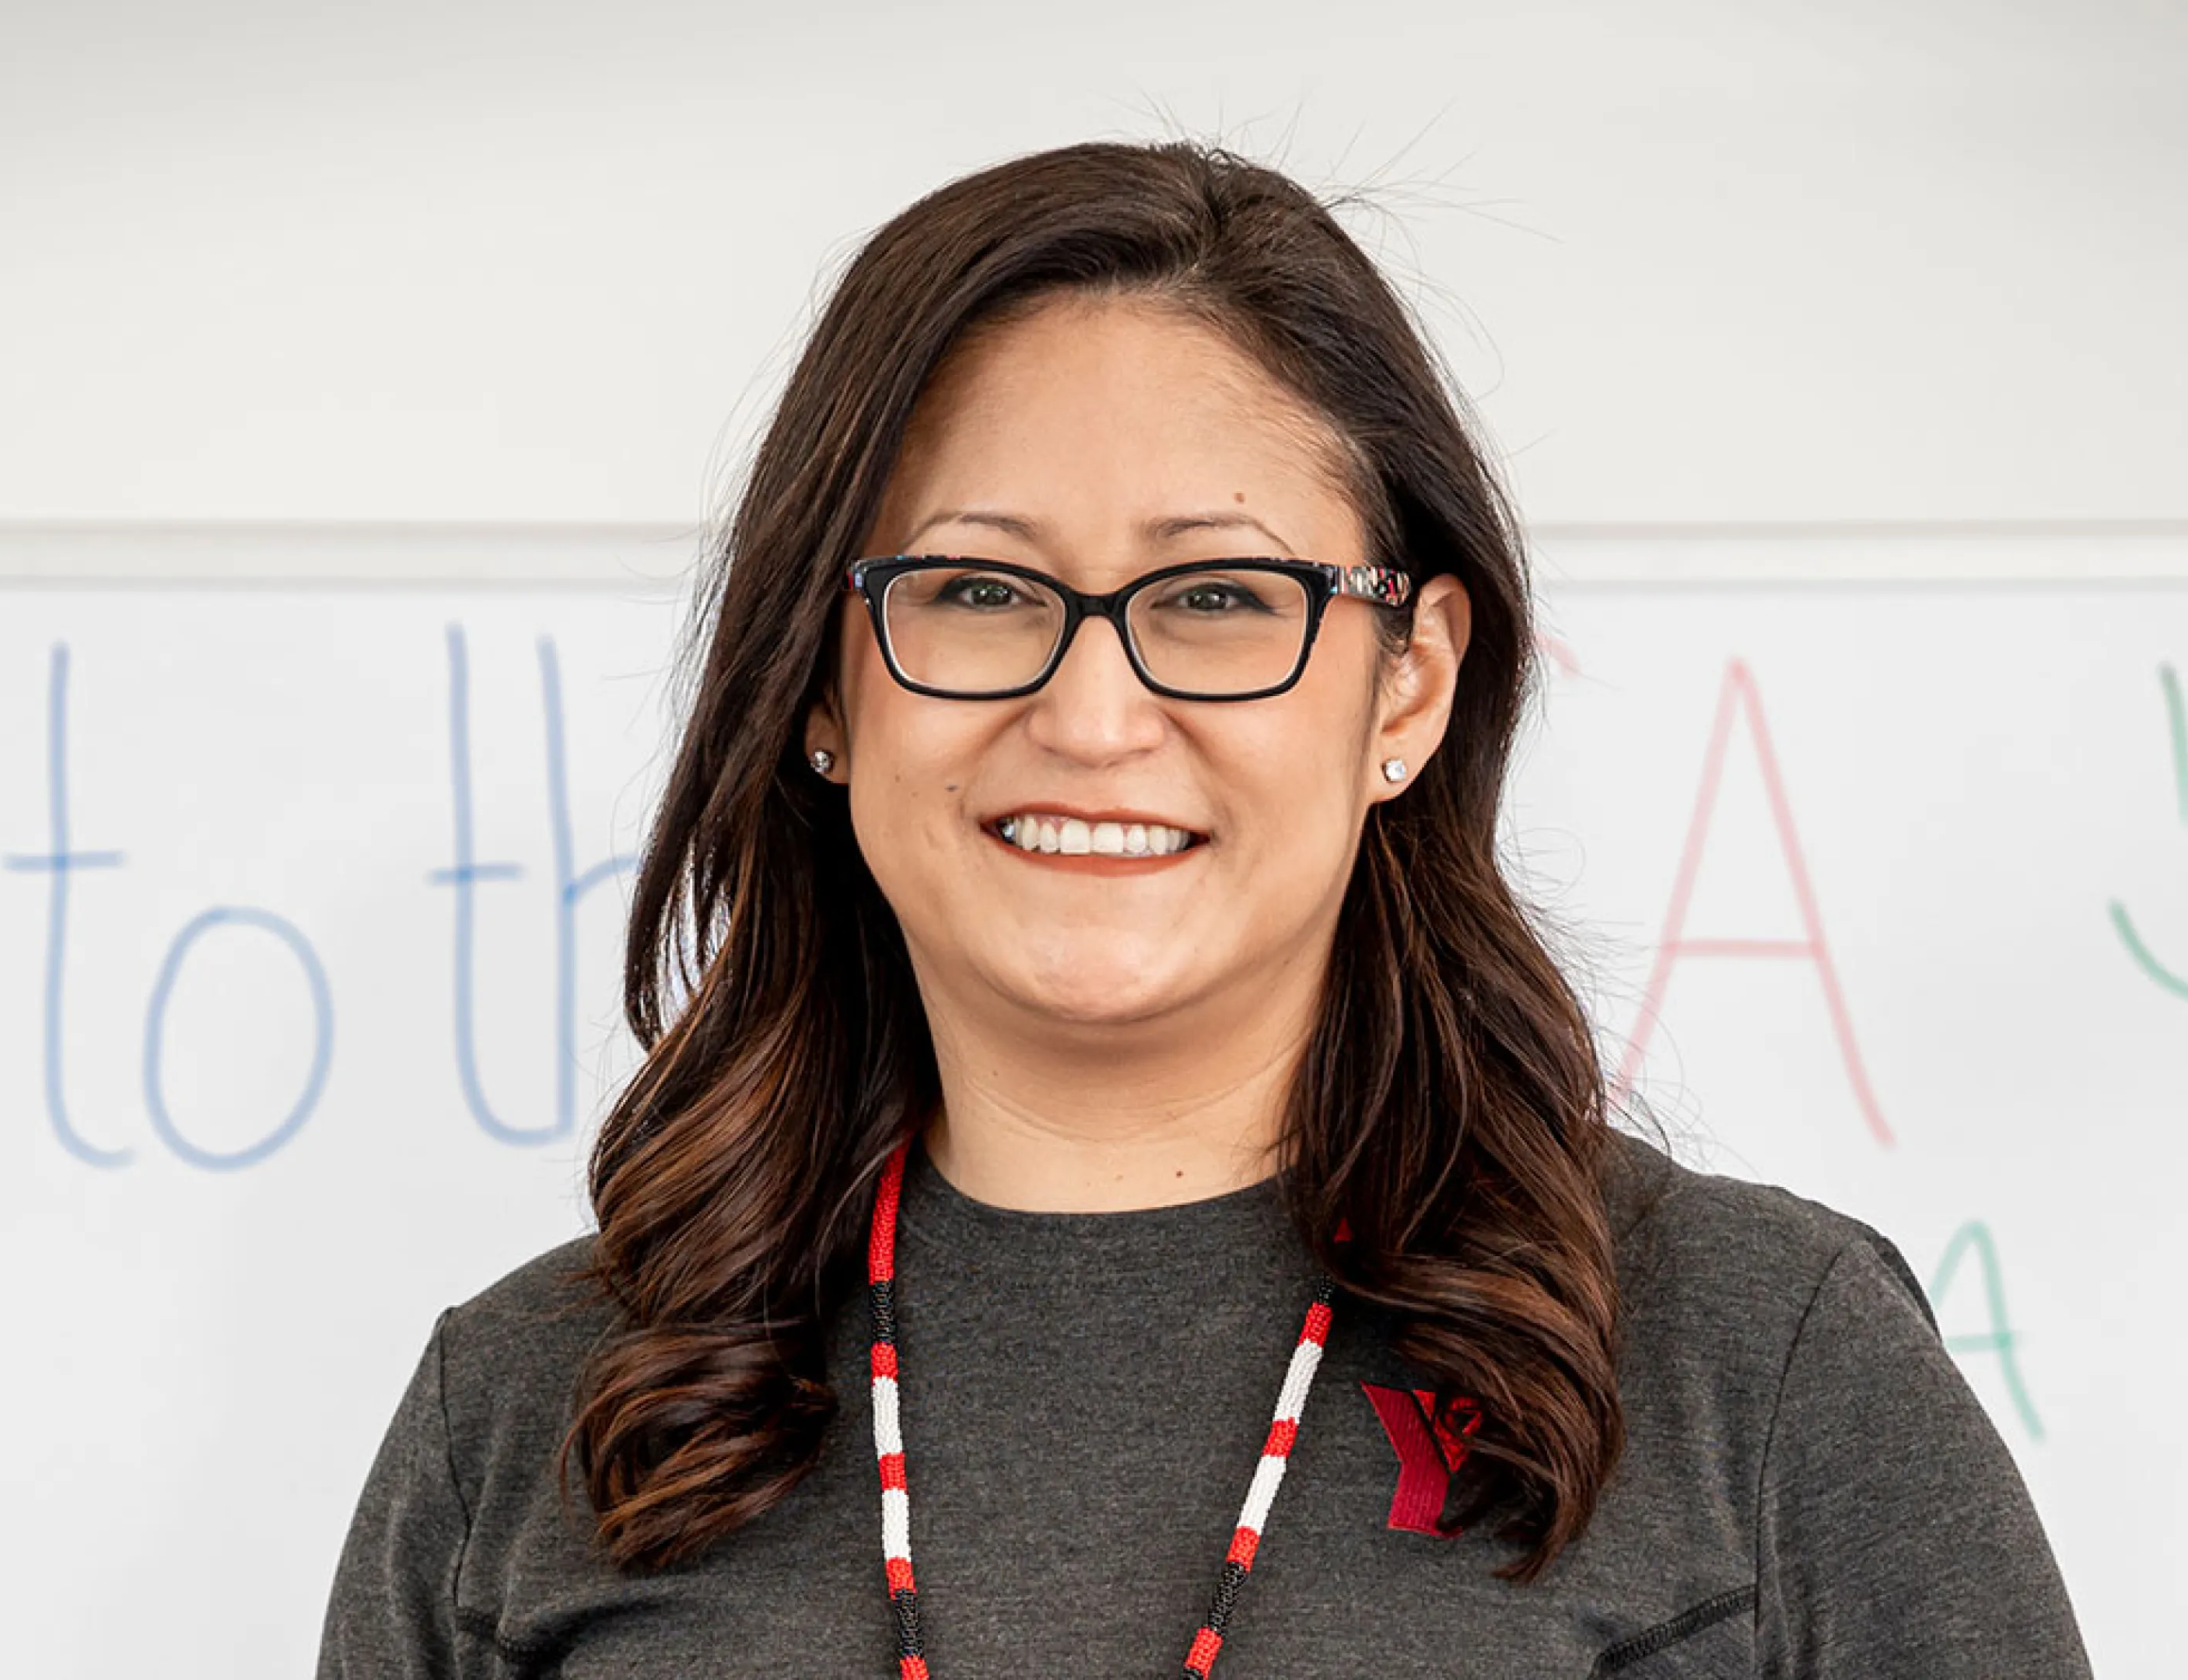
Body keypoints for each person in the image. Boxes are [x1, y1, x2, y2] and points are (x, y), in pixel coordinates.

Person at [316, 138, 2088, 1678]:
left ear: (1407, 687)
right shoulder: (527, 1416)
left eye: (1223, 597)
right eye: (979, 590)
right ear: (823, 687)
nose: (1092, 717)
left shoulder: (1762, 1371)